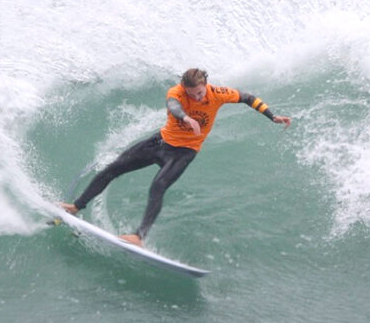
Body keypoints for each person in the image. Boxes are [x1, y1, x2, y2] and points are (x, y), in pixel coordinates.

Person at [59, 68, 291, 246]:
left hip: (184, 152)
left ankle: (139, 236)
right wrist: (186, 118)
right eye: (192, 94)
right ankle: (76, 207)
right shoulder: (176, 93)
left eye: (199, 93)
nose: (197, 98)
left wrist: (272, 117)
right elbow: (173, 106)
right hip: (159, 143)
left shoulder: (218, 94)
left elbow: (248, 98)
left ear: (206, 86)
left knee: (158, 186)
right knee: (112, 168)